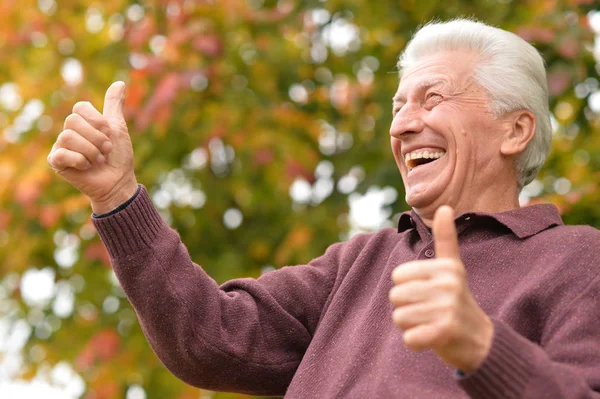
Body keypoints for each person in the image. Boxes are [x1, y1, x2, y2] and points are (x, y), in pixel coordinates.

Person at [47, 18, 600, 398]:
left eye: (432, 99)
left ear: (515, 130)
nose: (403, 124)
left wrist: (482, 348)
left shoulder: (578, 261)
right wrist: (117, 197)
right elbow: (207, 340)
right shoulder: (357, 263)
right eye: (398, 105)